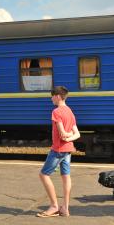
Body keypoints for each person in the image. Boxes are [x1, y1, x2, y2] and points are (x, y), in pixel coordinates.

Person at [37, 86, 80, 218]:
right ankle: (65, 208)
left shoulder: (56, 112)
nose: (51, 98)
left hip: (58, 149)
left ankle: (54, 206)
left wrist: (65, 136)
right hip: (68, 150)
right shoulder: (70, 111)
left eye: (52, 96)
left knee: (43, 175)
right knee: (66, 176)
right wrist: (69, 137)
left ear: (57, 96)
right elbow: (77, 134)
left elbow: (62, 135)